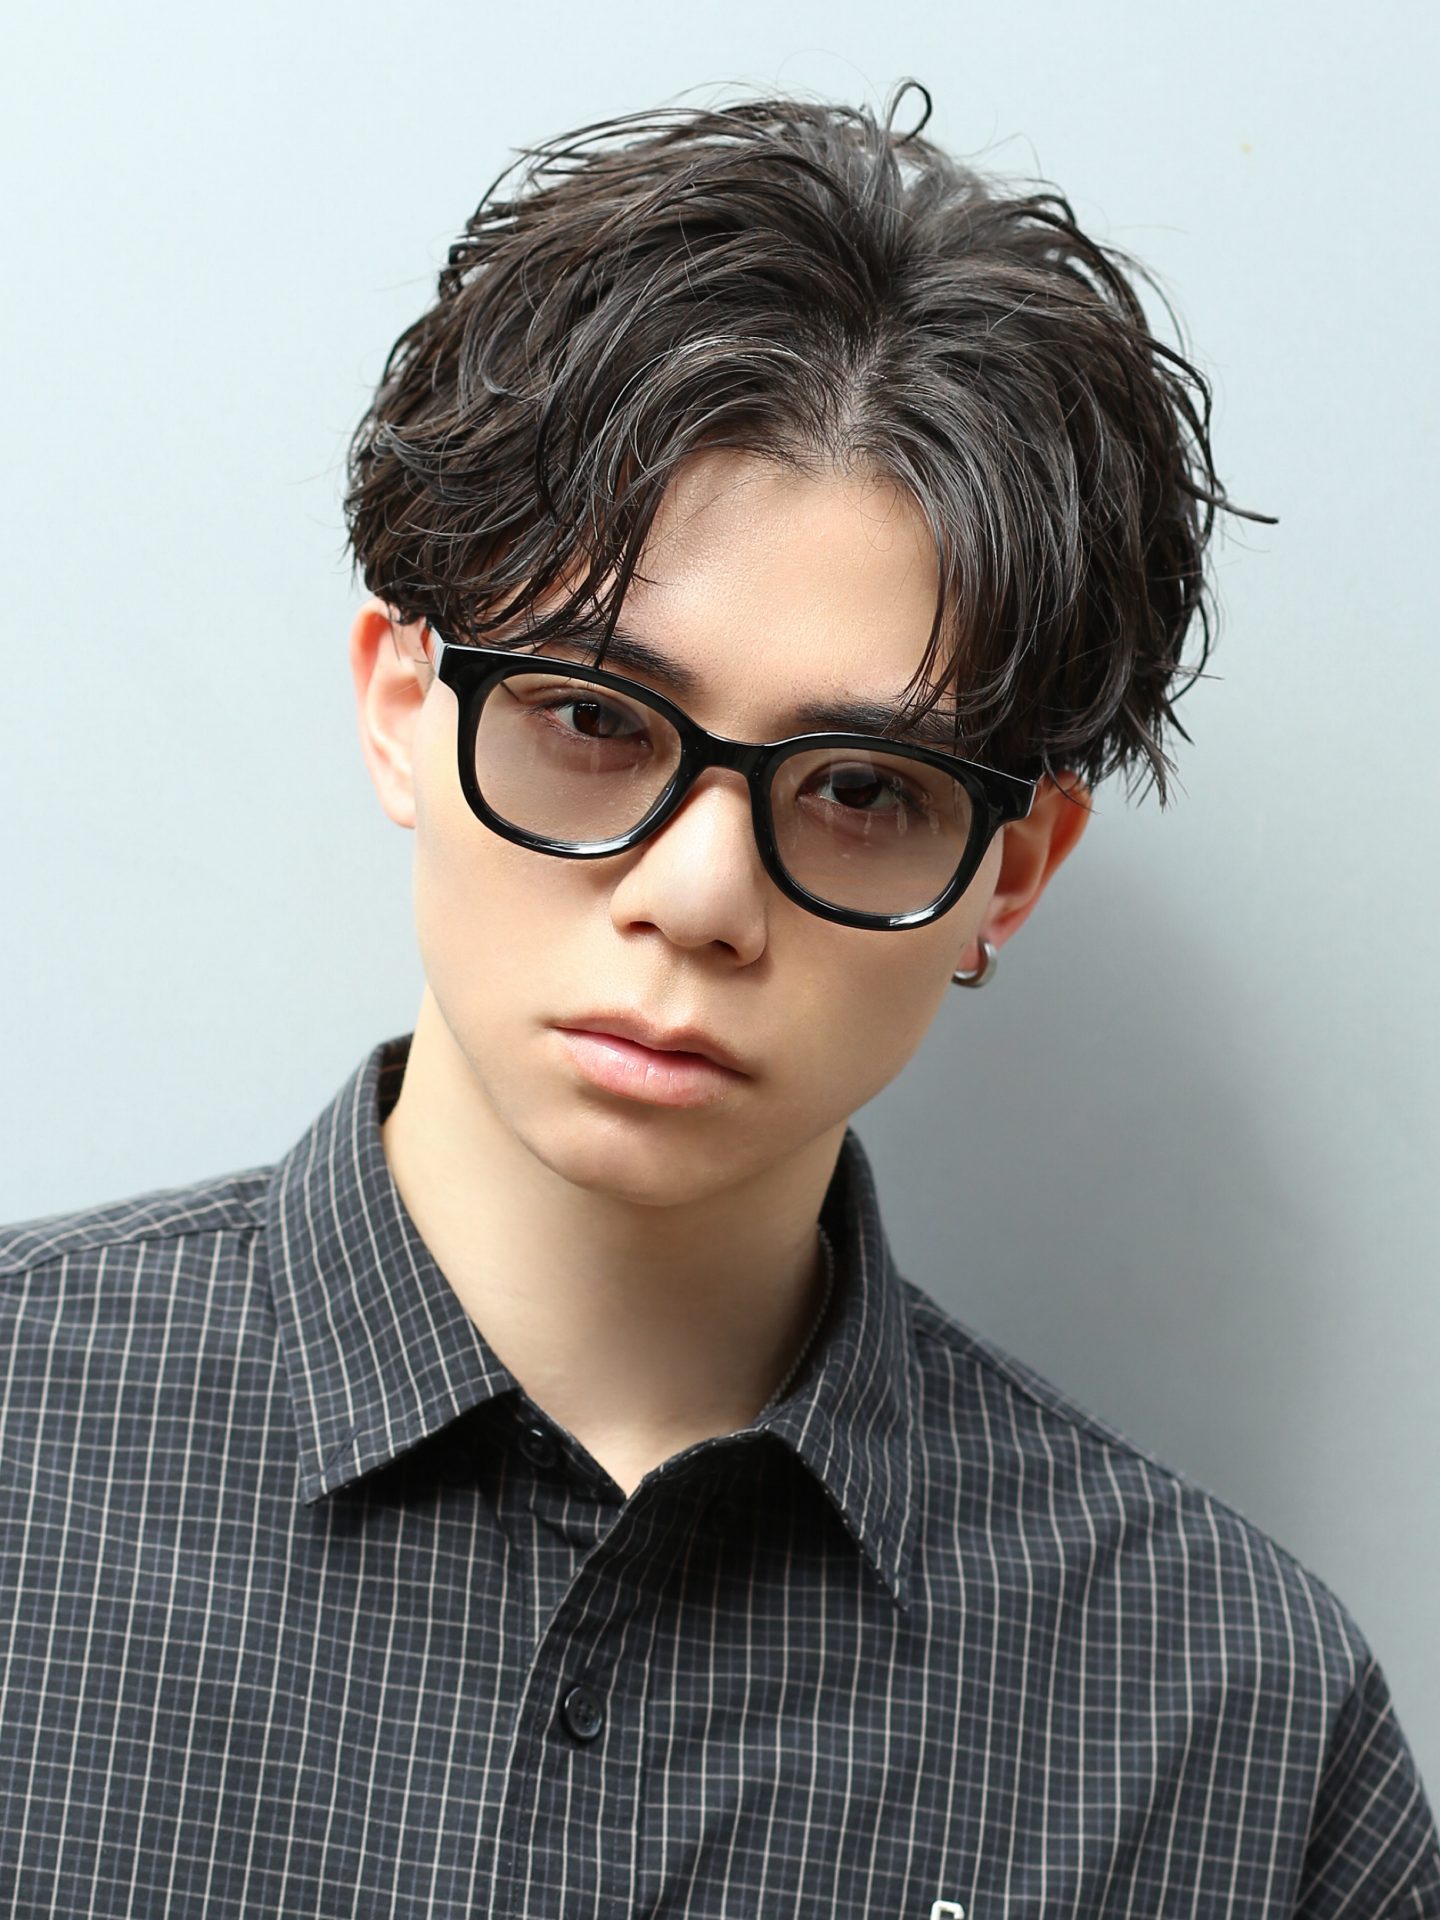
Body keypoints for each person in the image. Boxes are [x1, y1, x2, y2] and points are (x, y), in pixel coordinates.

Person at [0, 86, 1434, 1920]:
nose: (697, 898)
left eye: (863, 789)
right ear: (402, 709)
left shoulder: (1232, 1727)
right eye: (594, 719)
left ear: (1009, 872)